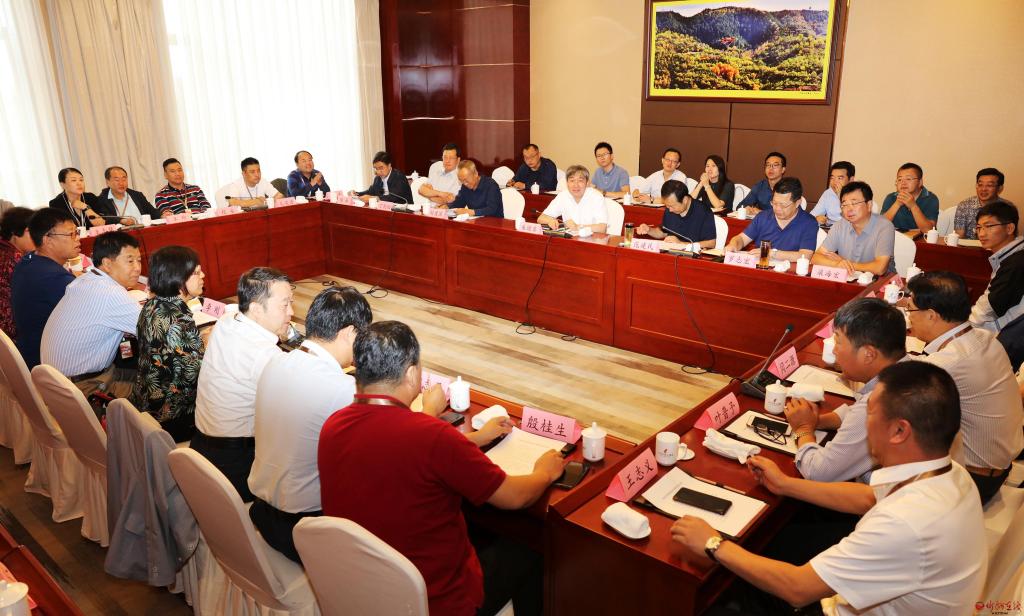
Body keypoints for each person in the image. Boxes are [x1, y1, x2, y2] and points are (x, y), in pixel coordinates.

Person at [672, 361, 986, 616]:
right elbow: (868, 497)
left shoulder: (904, 524)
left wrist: (713, 543)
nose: (864, 422)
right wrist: (786, 484)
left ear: (899, 431)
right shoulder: (951, 473)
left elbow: (798, 588)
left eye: (870, 413)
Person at [318, 321, 567, 616]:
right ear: (412, 374)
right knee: (531, 549)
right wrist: (544, 472)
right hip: (437, 602)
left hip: (364, 592)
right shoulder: (431, 437)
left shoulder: (332, 426)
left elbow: (405, 451)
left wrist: (476, 438)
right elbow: (515, 497)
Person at [247, 286, 373, 563]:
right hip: (304, 532)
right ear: (349, 333)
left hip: (263, 512)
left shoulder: (275, 362)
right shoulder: (341, 388)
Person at [906, 271, 1023, 503]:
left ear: (931, 315)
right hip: (998, 467)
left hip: (973, 481)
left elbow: (896, 387)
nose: (909, 318)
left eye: (910, 310)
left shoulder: (949, 361)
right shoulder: (985, 338)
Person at [192, 267, 293, 502]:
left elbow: (229, 309)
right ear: (256, 309)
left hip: (200, 447)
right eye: (284, 304)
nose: (291, 311)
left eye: (292, 302)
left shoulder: (227, 321)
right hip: (235, 467)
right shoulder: (266, 356)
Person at [784, 298, 906, 483]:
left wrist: (803, 430)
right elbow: (856, 415)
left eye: (838, 341)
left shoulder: (880, 402)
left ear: (868, 354)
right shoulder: (910, 370)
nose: (834, 351)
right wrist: (819, 421)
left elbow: (819, 472)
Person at [40, 231, 142, 399]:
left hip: (56, 382)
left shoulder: (85, 279)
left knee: (139, 369)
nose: (138, 268)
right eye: (130, 261)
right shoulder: (110, 293)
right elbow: (159, 330)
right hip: (84, 388)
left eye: (139, 260)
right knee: (167, 389)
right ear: (107, 264)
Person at [131, 246, 206, 442]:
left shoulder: (152, 304)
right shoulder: (177, 318)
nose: (203, 276)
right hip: (173, 417)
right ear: (178, 278)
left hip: (146, 402)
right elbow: (194, 373)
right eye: (197, 272)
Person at [10, 209, 79, 368]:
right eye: (71, 234)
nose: (77, 239)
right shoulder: (54, 278)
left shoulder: (27, 262)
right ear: (48, 240)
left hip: (33, 353)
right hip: (55, 365)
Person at [811, 181, 895, 275]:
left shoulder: (884, 226)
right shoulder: (840, 225)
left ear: (869, 205)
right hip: (850, 278)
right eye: (844, 205)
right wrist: (837, 264)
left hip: (881, 281)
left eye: (854, 203)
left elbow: (880, 268)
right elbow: (815, 258)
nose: (849, 209)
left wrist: (845, 263)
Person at [725, 177, 818, 261]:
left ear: (797, 203)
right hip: (761, 268)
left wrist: (771, 253)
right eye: (774, 203)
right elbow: (741, 238)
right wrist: (733, 245)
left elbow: (805, 255)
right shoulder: (763, 217)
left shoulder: (809, 223)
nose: (777, 209)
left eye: (783, 205)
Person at [970, 201, 1023, 333]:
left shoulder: (1016, 263)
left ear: (1009, 228)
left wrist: (961, 327)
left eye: (988, 226)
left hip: (1010, 336)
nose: (981, 234)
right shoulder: (1012, 254)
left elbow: (988, 311)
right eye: (979, 227)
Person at [637, 180, 716, 249]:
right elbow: (663, 232)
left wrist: (681, 244)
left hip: (693, 257)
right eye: (667, 206)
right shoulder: (670, 208)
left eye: (672, 206)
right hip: (671, 254)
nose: (670, 210)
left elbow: (711, 243)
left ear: (685, 200)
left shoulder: (703, 211)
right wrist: (649, 230)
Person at [536, 165, 608, 234]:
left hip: (593, 239)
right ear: (567, 183)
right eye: (572, 180)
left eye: (580, 181)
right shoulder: (563, 196)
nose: (576, 185)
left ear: (587, 183)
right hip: (570, 239)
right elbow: (541, 218)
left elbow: (602, 228)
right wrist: (550, 221)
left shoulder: (596, 197)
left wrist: (578, 227)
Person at [0, 207, 35, 339]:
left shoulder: (4, 249)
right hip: (13, 330)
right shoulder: (16, 258)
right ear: (15, 232)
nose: (37, 236)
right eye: (31, 231)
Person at [954, 168, 1013, 239]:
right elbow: (959, 237)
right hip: (969, 246)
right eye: (980, 185)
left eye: (989, 185)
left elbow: (1009, 237)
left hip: (997, 246)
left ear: (1000, 188)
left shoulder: (1007, 208)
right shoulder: (964, 206)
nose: (983, 189)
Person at [880, 162, 939, 232]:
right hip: (896, 238)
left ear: (920, 182)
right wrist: (897, 204)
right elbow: (880, 226)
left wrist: (913, 206)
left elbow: (929, 230)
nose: (903, 183)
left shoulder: (930, 199)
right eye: (899, 179)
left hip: (920, 238)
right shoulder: (891, 197)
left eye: (908, 179)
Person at [47, 167, 114, 229]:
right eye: (74, 180)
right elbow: (61, 229)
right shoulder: (56, 203)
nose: (79, 183)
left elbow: (101, 224)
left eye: (81, 180)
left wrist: (85, 207)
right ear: (63, 184)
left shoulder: (90, 198)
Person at [810, 161, 855, 225]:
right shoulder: (828, 193)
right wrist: (816, 218)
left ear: (851, 180)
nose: (834, 182)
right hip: (831, 229)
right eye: (832, 178)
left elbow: (853, 221)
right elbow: (812, 215)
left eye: (839, 178)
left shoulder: (859, 195)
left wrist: (840, 196)